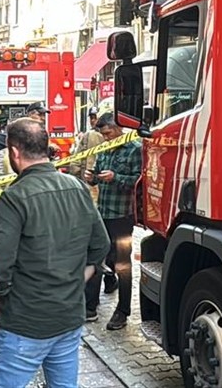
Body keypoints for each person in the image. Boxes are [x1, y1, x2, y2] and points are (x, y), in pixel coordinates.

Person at [0, 118, 109, 388]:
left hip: (24, 321)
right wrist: (76, 281)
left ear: (14, 152)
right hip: (68, 317)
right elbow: (101, 246)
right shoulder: (77, 188)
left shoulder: (14, 197)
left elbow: (0, 264)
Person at [84, 113, 142, 330]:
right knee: (96, 257)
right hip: (102, 213)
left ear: (118, 128)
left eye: (108, 133)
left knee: (123, 264)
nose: (106, 138)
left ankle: (123, 310)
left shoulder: (134, 148)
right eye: (103, 134)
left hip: (122, 215)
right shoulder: (104, 148)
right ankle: (90, 306)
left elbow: (140, 180)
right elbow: (98, 173)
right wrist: (92, 178)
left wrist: (116, 177)